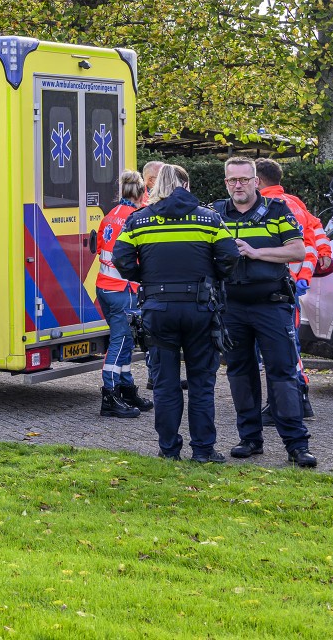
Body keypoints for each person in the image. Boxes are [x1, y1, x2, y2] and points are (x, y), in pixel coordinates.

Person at [111, 164, 238, 462]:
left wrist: (148, 280)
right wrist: (212, 277)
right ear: (186, 186)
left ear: (154, 187)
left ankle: (169, 450)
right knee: (201, 383)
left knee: (166, 385)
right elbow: (230, 256)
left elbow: (121, 258)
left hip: (158, 310)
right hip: (200, 310)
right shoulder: (209, 219)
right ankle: (204, 451)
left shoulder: (139, 220)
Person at [213, 156, 318, 468]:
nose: (238, 185)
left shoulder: (277, 211)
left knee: (282, 374)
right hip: (231, 307)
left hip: (271, 305)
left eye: (244, 179)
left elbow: (297, 249)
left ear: (256, 181)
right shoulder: (215, 213)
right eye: (232, 180)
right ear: (226, 182)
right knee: (239, 374)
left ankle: (296, 445)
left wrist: (258, 252)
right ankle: (249, 439)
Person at [256, 158, 327, 419]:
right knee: (289, 345)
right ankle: (300, 398)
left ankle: (282, 405)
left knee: (275, 349)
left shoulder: (262, 208)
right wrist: (317, 259)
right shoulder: (295, 203)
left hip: (272, 285)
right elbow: (313, 235)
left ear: (258, 181)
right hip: (292, 286)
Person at [94, 170, 150, 418]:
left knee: (125, 341)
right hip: (124, 289)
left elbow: (100, 251)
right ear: (141, 192)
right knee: (119, 342)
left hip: (105, 287)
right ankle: (110, 395)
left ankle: (126, 388)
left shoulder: (110, 216)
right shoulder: (137, 218)